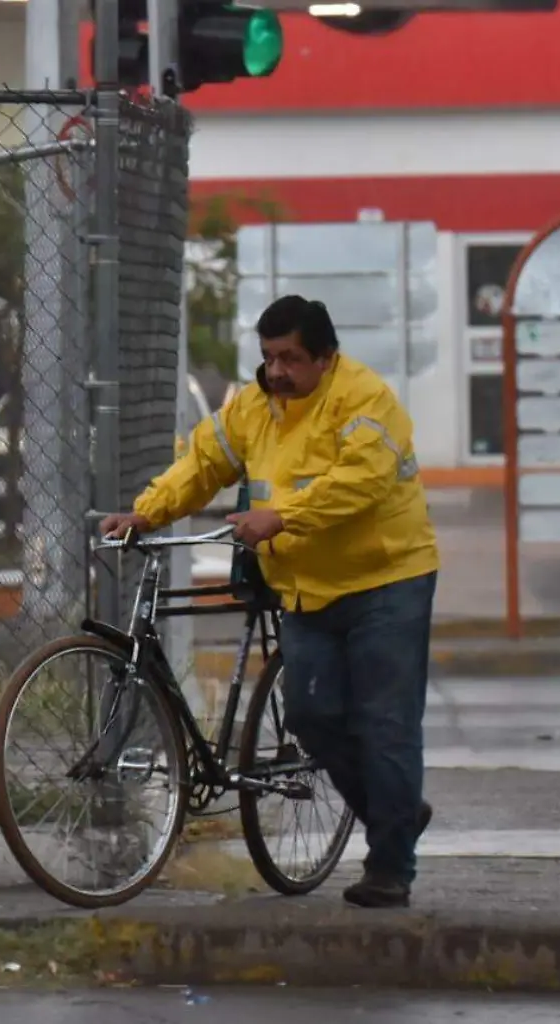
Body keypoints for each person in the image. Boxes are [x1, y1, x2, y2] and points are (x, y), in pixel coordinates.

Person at [99, 296, 439, 908]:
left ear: (326, 358)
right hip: (306, 589)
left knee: (384, 725)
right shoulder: (255, 407)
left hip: (387, 582)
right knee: (310, 718)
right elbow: (202, 462)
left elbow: (361, 482)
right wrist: (145, 511)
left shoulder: (365, 400)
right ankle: (397, 809)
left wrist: (281, 516)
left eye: (291, 359)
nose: (277, 371)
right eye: (269, 357)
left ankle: (390, 866)